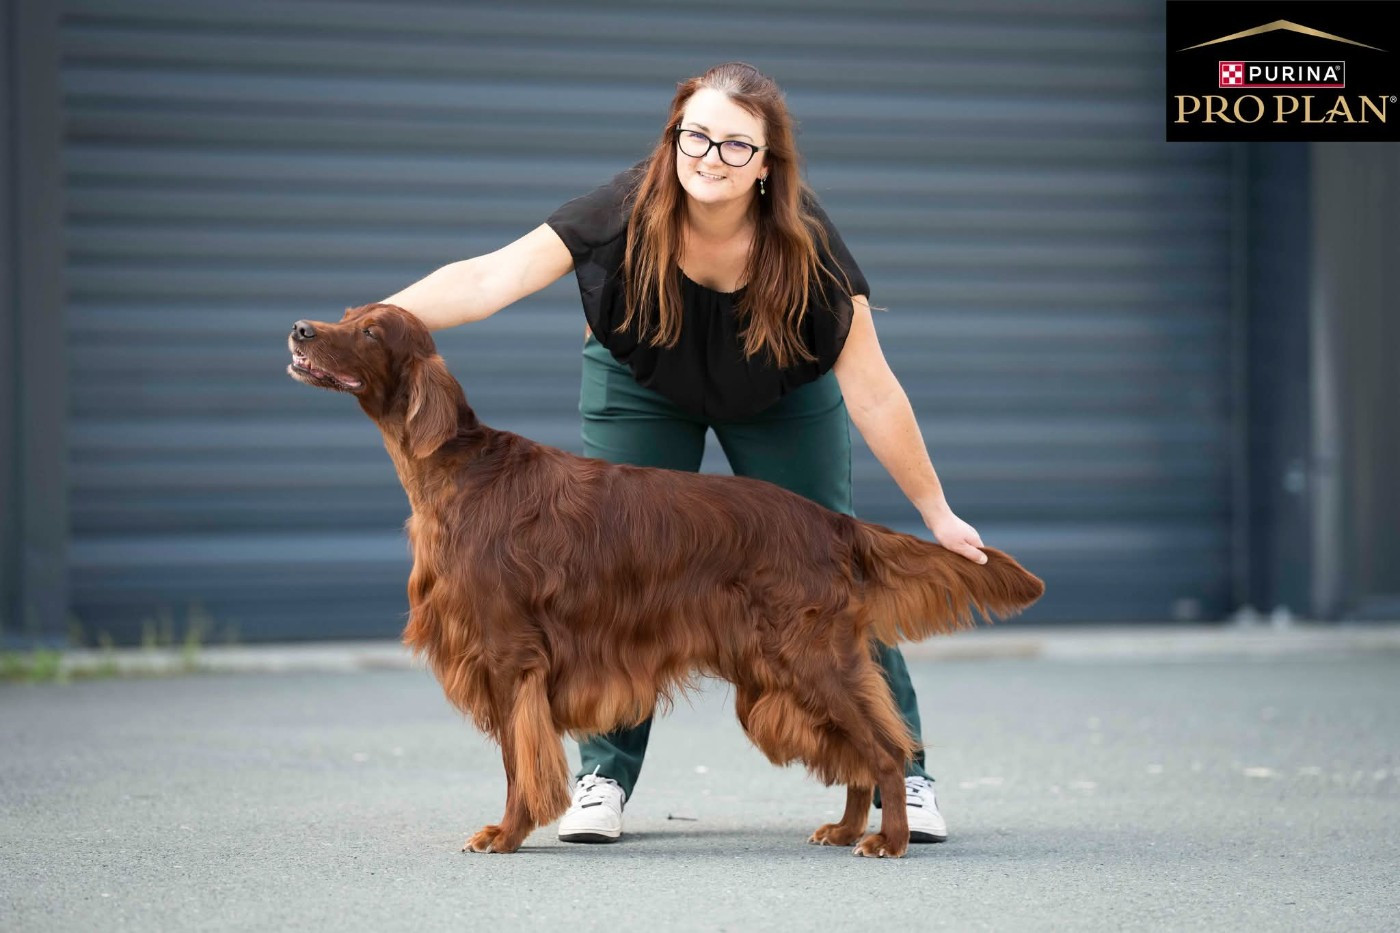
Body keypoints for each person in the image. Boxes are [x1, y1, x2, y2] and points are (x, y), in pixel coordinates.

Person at [381, 61, 987, 846]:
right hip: (643, 381)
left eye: (737, 145)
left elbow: (874, 392)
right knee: (609, 565)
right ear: (673, 139)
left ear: (767, 165)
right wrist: (372, 321)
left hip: (781, 397)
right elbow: (490, 277)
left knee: (818, 568)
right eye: (696, 135)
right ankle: (602, 777)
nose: (711, 156)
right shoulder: (622, 209)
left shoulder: (810, 251)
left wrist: (935, 512)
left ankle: (907, 774)